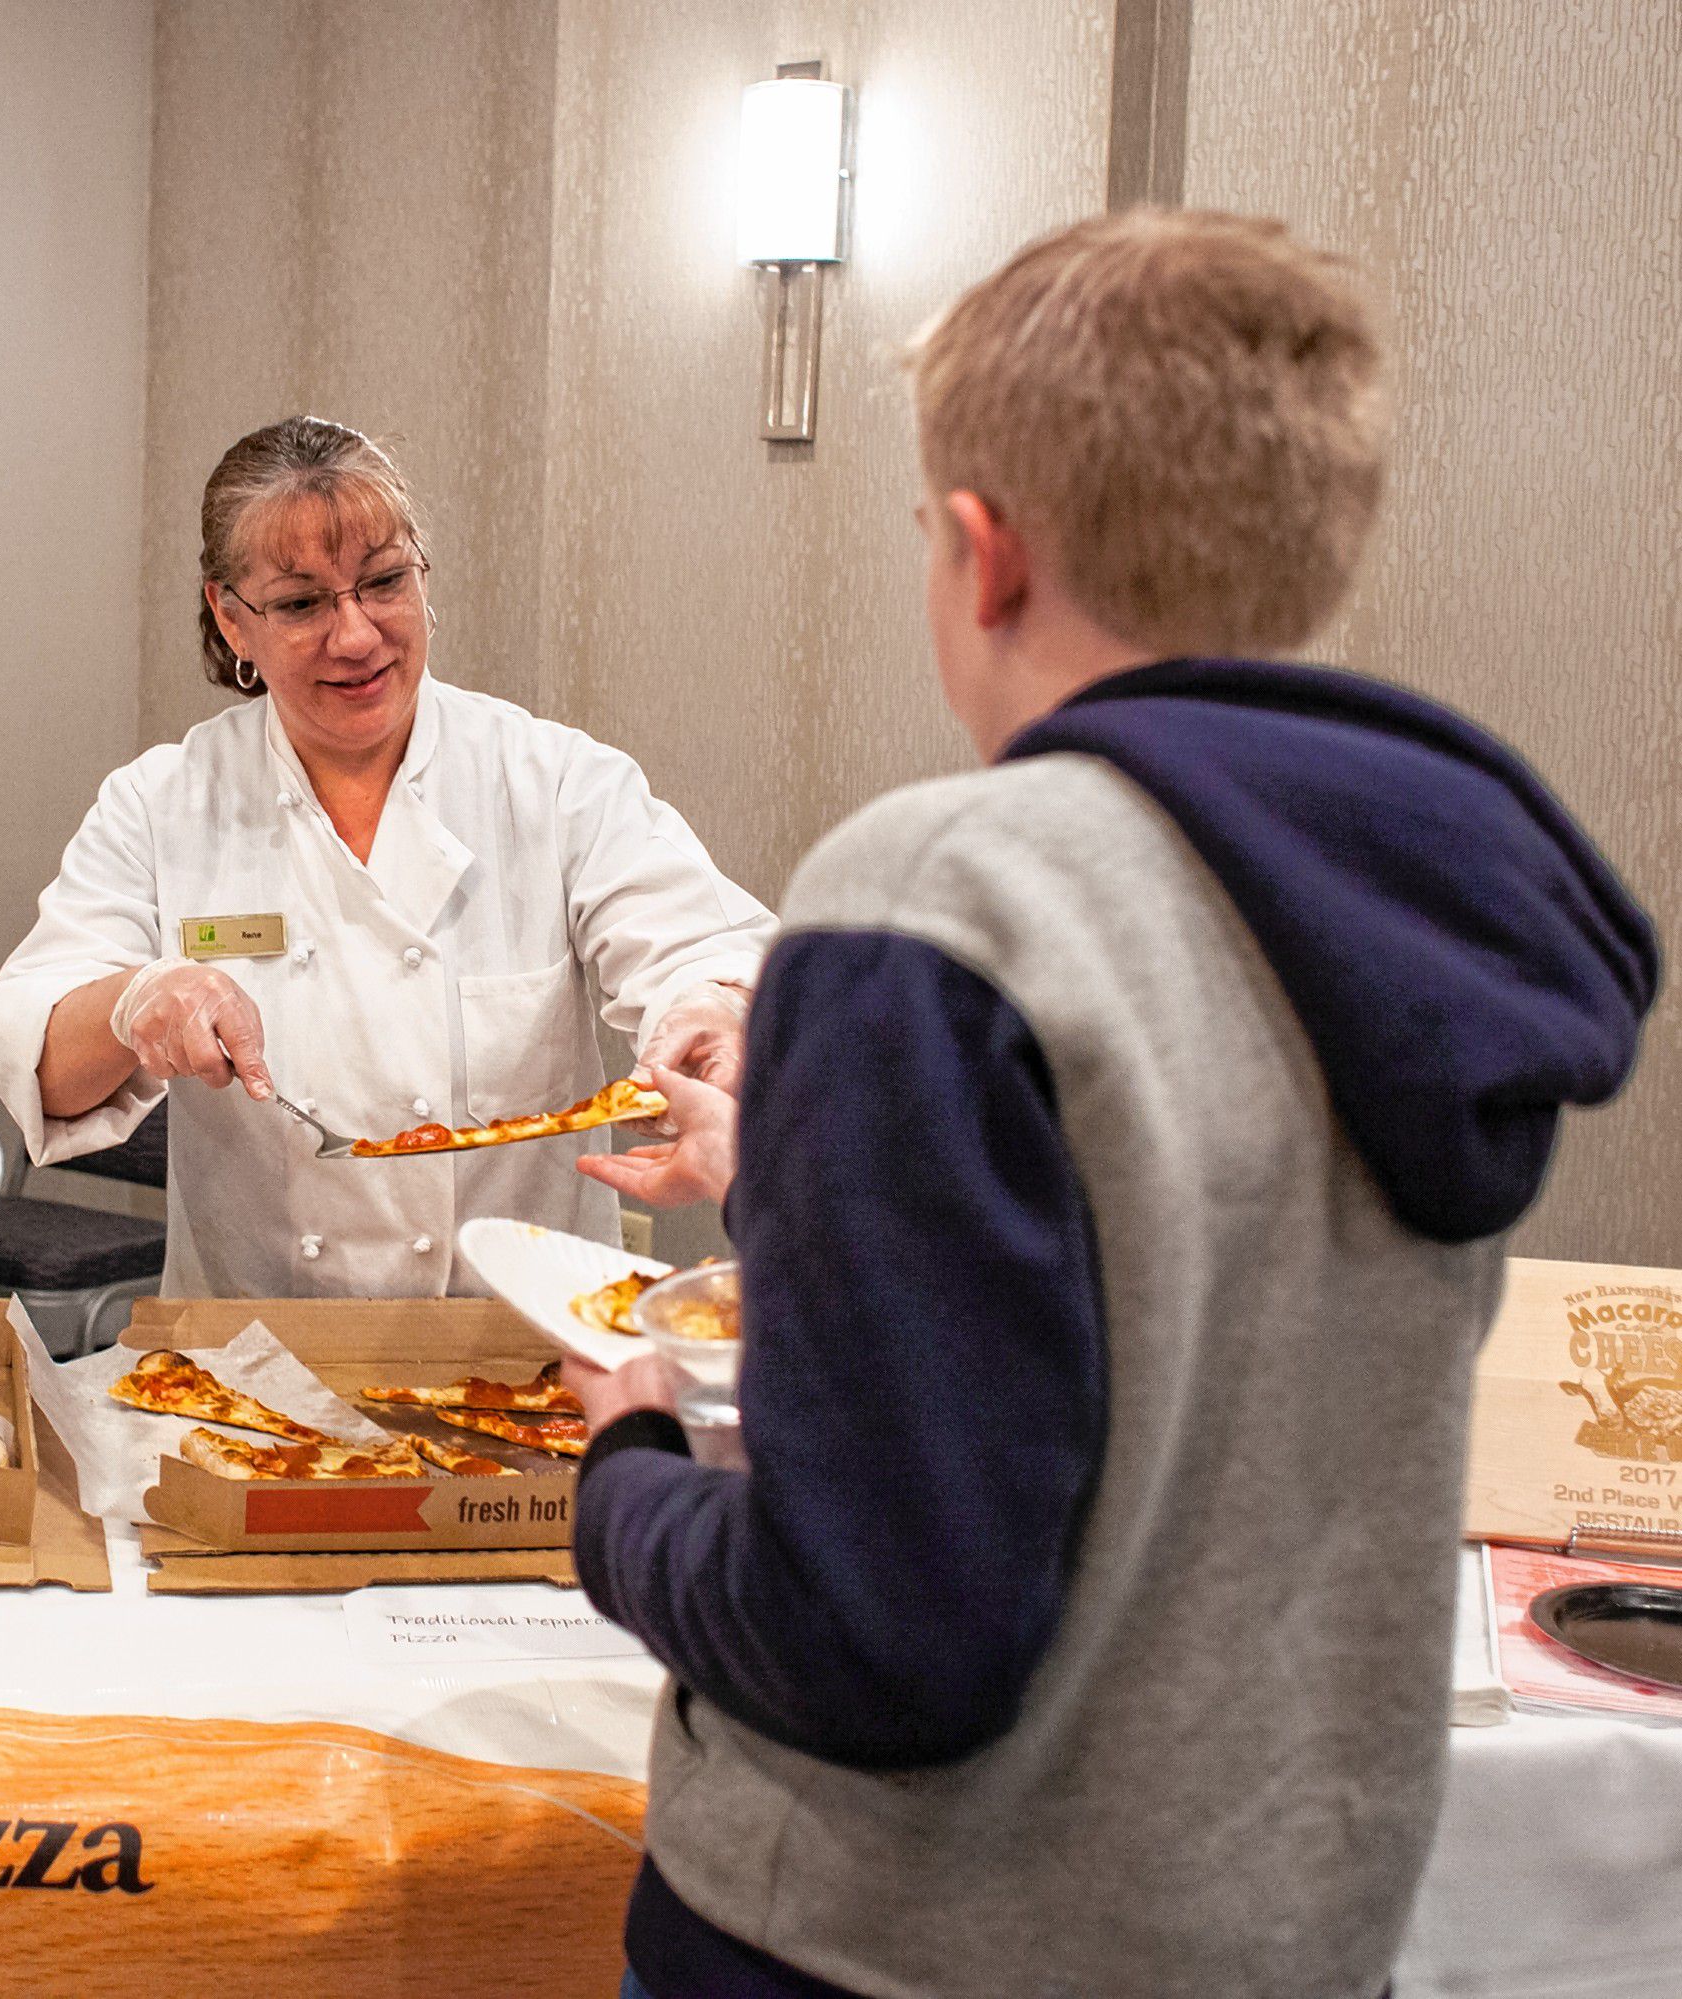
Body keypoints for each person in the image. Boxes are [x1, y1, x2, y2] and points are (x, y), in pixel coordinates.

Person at [568, 209, 1658, 1999]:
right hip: (1281, 1928)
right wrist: (798, 1172)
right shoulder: (1431, 895)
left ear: (983, 555)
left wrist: (619, 1477)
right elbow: (1189, 1264)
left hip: (894, 1947)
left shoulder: (939, 899)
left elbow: (870, 1636)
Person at [0, 417, 774, 1298]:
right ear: (231, 618)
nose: (356, 636)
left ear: (422, 575)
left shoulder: (551, 781)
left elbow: (700, 948)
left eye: (383, 582)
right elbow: (38, 1053)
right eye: (301, 602)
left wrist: (713, 1005)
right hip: (248, 1375)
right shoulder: (165, 803)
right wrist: (135, 1002)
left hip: (528, 1351)